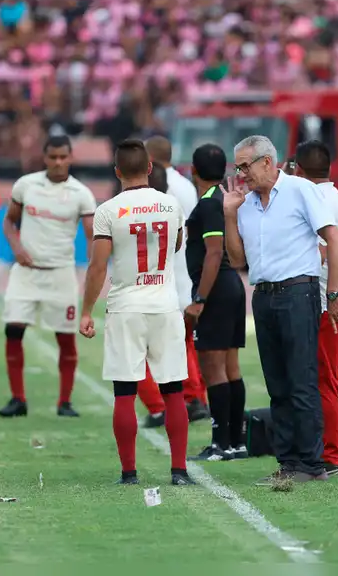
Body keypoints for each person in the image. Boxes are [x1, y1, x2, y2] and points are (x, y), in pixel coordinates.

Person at [223, 134, 338, 484]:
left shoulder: (300, 190)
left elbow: (334, 239)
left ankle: (311, 463)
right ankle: (289, 462)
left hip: (298, 292)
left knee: (301, 381)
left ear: (267, 161)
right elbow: (237, 260)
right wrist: (229, 215)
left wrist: (334, 292)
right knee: (277, 384)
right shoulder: (243, 204)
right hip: (263, 295)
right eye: (238, 167)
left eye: (245, 166)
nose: (241, 174)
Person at [79, 139, 194, 487]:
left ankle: (129, 472)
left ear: (117, 172)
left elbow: (98, 267)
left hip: (126, 305)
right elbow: (175, 246)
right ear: (149, 168)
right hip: (164, 303)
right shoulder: (170, 204)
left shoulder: (108, 210)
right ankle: (179, 470)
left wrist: (86, 311)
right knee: (173, 390)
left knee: (125, 392)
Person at [0, 135, 97, 418]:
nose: (57, 162)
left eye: (63, 157)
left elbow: (92, 235)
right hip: (26, 274)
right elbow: (9, 221)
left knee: (65, 338)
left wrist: (94, 265)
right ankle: (18, 399)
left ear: (70, 158)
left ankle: (64, 402)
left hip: (60, 274)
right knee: (13, 330)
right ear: (44, 157)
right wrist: (17, 248)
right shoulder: (26, 185)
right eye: (53, 157)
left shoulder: (81, 193)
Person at [293, 140, 338, 473]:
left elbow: (322, 252)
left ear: (298, 169)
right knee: (319, 378)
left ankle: (333, 453)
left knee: (322, 380)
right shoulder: (335, 196)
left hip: (328, 298)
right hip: (334, 295)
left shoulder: (318, 200)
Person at [183, 144, 249, 462]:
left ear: (193, 171)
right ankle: (235, 440)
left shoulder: (210, 204)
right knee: (231, 367)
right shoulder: (220, 201)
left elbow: (213, 252)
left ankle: (221, 442)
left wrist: (199, 299)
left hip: (217, 290)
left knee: (214, 369)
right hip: (231, 287)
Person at [139, 137, 210, 427]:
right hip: (185, 274)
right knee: (185, 344)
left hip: (161, 276)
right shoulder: (185, 186)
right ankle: (195, 398)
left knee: (147, 345)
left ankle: (164, 405)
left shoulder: (151, 186)